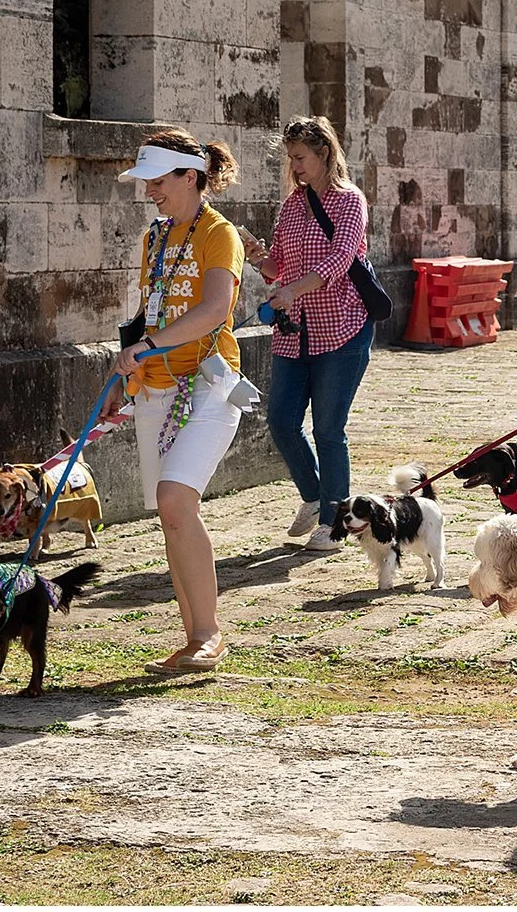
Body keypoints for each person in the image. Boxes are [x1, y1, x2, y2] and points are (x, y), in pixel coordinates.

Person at [110, 128, 249, 673]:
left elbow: (216, 308)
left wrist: (146, 345)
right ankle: (196, 637)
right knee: (172, 514)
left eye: (158, 180)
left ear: (191, 177)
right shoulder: (154, 238)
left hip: (211, 387)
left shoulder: (220, 233)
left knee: (174, 500)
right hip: (156, 388)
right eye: (146, 182)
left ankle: (209, 634)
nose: (149, 191)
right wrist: (126, 376)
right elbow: (148, 316)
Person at [238, 117, 377, 551]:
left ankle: (335, 519)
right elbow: (278, 266)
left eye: (301, 158)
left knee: (329, 429)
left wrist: (295, 288)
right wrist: (257, 256)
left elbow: (340, 260)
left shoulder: (349, 201)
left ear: (324, 155)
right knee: (280, 420)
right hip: (294, 331)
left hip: (343, 328)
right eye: (291, 158)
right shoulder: (292, 206)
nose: (294, 166)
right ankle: (315, 497)